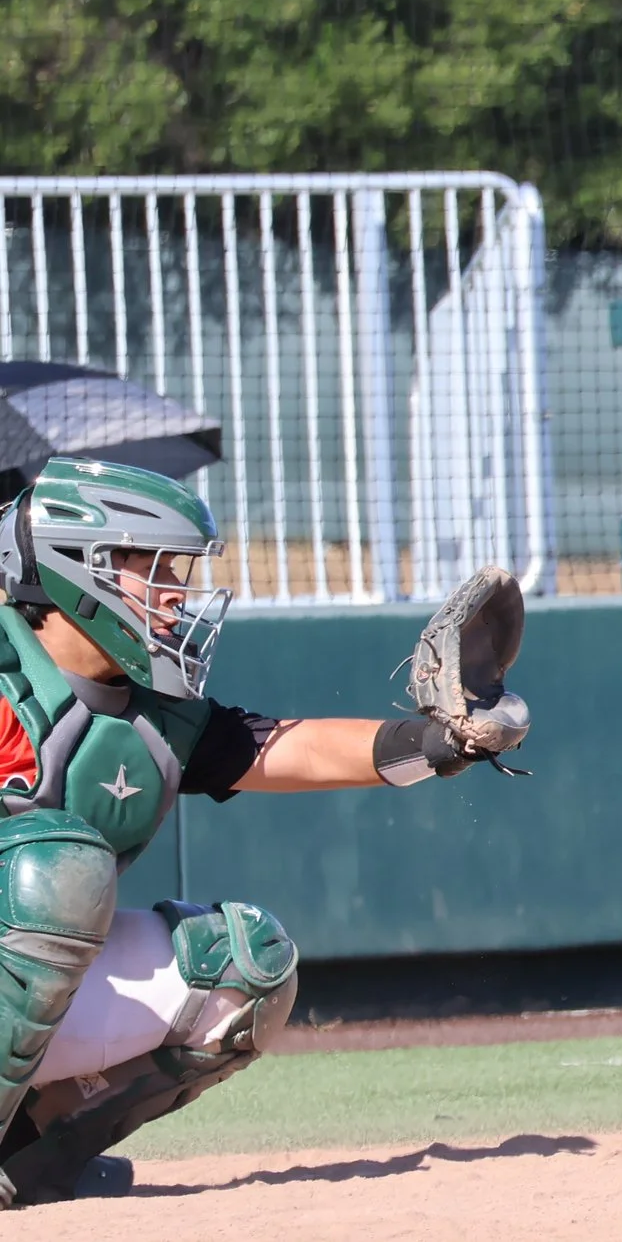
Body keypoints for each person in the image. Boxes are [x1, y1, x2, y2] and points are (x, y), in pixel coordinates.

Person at [0, 457, 531, 1204]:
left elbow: (286, 745)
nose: (175, 594)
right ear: (75, 568)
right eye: (153, 569)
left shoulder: (156, 712)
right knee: (55, 874)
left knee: (243, 970)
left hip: (24, 972)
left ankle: (26, 1164)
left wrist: (443, 742)